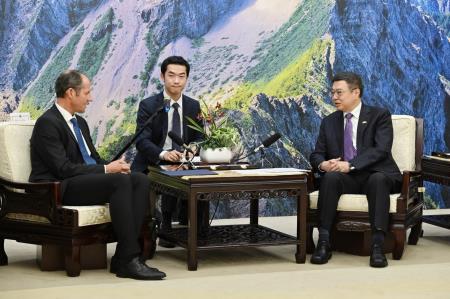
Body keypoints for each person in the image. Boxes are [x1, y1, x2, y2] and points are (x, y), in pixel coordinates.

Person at [29, 70, 166, 280]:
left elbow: (92, 158)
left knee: (139, 178)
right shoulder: (47, 123)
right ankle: (130, 259)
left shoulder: (80, 123)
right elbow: (62, 168)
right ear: (71, 93)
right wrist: (106, 170)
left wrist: (113, 165)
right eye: (87, 92)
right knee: (119, 181)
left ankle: (123, 257)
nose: (91, 98)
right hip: (59, 186)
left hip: (84, 181)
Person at [309, 72, 402, 268]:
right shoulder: (329, 121)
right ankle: (324, 242)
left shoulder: (379, 115)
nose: (334, 97)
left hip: (377, 174)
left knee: (377, 180)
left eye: (339, 92)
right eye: (332, 92)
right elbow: (317, 154)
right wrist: (323, 164)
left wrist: (350, 164)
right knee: (331, 178)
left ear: (356, 92)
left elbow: (381, 150)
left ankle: (377, 245)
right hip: (347, 179)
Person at [131, 56, 204, 247]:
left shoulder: (193, 106)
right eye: (171, 75)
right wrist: (163, 154)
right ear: (163, 76)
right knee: (166, 176)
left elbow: (198, 137)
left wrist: (193, 150)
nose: (176, 80)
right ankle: (162, 228)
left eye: (182, 76)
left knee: (204, 180)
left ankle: (198, 233)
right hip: (153, 160)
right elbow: (142, 141)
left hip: (183, 162)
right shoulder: (149, 105)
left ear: (187, 78)